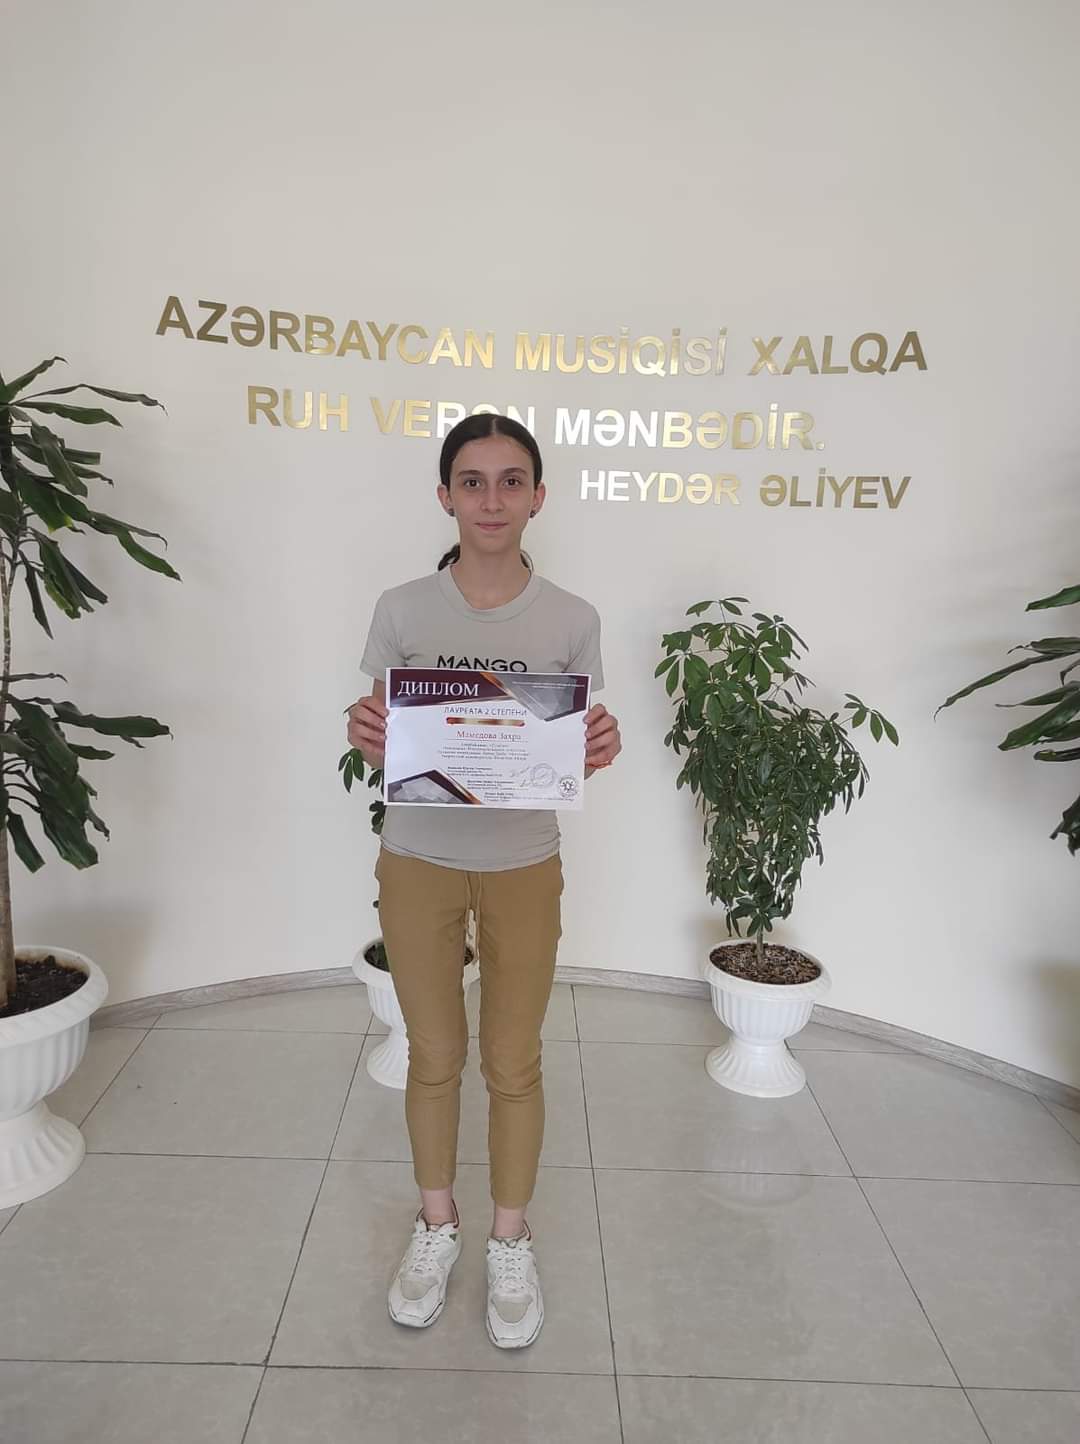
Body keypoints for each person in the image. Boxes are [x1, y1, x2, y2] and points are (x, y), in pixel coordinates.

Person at [346, 412, 621, 1350]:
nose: (491, 499)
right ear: (446, 496)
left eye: (511, 481)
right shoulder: (402, 610)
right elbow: (382, 728)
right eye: (472, 481)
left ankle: (510, 1239)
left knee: (513, 1059)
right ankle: (438, 1225)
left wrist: (594, 750)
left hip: (523, 863)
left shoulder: (573, 619)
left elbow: (564, 752)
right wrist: (368, 733)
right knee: (432, 1053)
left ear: (538, 497)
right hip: (418, 858)